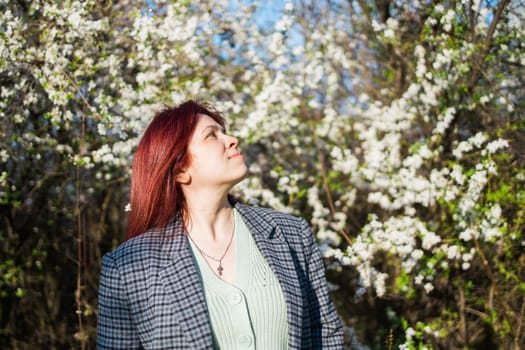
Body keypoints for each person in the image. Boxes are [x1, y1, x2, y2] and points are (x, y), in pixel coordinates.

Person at [96, 100, 344, 349]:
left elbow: (326, 335)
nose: (232, 139)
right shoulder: (128, 267)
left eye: (223, 131)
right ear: (181, 170)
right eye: (211, 135)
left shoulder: (291, 234)